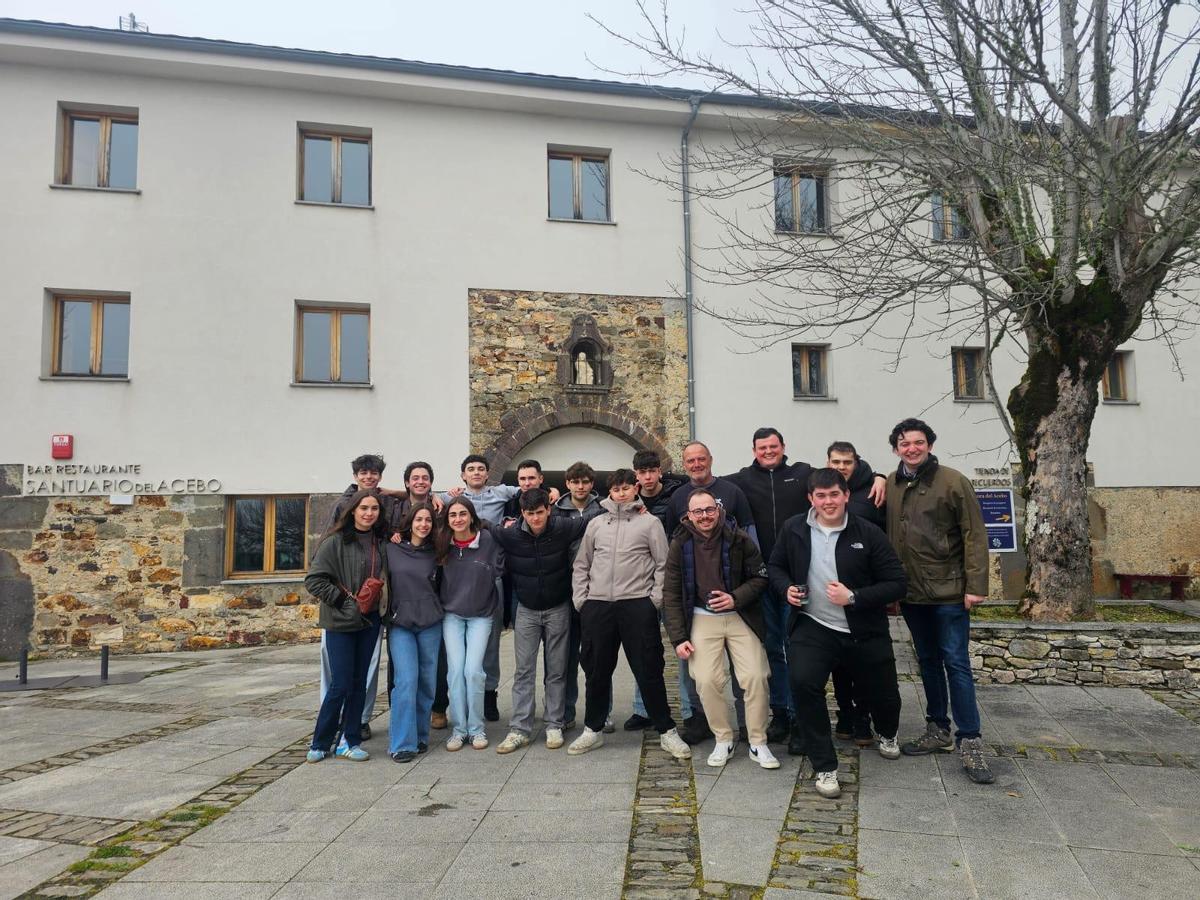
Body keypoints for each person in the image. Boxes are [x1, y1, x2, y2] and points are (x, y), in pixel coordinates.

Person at [727, 428, 888, 748]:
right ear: (754, 450)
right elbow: (703, 480)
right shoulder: (742, 479)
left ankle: (803, 718)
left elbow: (840, 475)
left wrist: (878, 475)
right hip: (764, 578)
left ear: (783, 447)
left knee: (799, 649)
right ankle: (781, 714)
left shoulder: (803, 473)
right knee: (773, 648)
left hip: (799, 575)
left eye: (774, 446)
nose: (769, 451)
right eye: (763, 447)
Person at [769, 468, 907, 798]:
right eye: (821, 496)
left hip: (863, 628)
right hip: (814, 625)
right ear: (810, 499)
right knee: (802, 683)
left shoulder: (868, 532)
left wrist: (854, 597)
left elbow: (897, 583)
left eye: (834, 494)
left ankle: (887, 732)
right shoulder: (794, 529)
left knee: (884, 694)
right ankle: (824, 766)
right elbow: (775, 566)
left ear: (846, 495)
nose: (828, 501)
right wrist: (786, 588)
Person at [885, 418, 994, 784]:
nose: (911, 448)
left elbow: (974, 534)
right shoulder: (892, 483)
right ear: (897, 448)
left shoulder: (952, 481)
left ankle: (970, 738)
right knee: (928, 662)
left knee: (956, 663)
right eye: (904, 443)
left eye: (918, 442)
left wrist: (975, 584)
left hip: (949, 592)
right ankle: (937, 728)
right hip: (913, 593)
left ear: (929, 444)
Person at [569, 469, 691, 760]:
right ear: (609, 491)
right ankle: (593, 729)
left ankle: (666, 730)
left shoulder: (649, 524)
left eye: (626, 488)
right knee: (597, 670)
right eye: (616, 488)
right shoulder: (597, 524)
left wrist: (654, 600)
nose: (621, 493)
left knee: (648, 668)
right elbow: (582, 563)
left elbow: (663, 564)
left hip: (637, 604)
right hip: (598, 605)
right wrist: (582, 600)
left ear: (635, 488)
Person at [663, 489, 779, 770]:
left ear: (718, 509)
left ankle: (757, 741)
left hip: (739, 614)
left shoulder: (738, 537)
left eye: (709, 510)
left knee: (755, 675)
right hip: (702, 617)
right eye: (698, 512)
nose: (704, 517)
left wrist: (735, 597)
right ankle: (723, 737)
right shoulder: (680, 542)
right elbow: (671, 592)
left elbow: (760, 577)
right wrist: (678, 637)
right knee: (705, 679)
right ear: (688, 515)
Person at [667, 441, 755, 744]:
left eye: (700, 459)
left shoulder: (732, 492)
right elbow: (673, 543)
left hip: (736, 602)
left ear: (710, 460)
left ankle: (746, 724)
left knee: (745, 670)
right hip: (697, 605)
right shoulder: (678, 496)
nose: (696, 464)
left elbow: (749, 538)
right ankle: (699, 720)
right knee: (697, 670)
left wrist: (745, 589)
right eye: (690, 460)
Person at [491, 488, 588, 752]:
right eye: (530, 514)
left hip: (558, 607)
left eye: (540, 513)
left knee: (556, 670)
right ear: (522, 513)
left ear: (549, 509)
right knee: (523, 670)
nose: (536, 519)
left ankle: (554, 724)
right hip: (526, 610)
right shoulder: (510, 534)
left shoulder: (563, 527)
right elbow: (483, 524)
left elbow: (593, 518)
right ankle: (519, 727)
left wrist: (634, 507)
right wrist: (443, 499)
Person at [305, 489, 389, 763]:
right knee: (340, 683)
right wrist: (344, 601)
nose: (369, 513)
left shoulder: (381, 542)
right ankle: (321, 740)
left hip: (370, 620)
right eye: (364, 508)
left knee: (358, 682)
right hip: (341, 620)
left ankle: (349, 740)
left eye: (374, 509)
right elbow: (315, 580)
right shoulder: (335, 541)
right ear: (353, 510)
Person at [321, 454, 396, 743]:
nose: (369, 477)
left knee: (366, 668)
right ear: (356, 475)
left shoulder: (384, 503)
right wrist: (339, 598)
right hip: (342, 604)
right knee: (337, 675)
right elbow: (325, 555)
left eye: (374, 473)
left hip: (371, 605)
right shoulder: (343, 505)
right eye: (364, 473)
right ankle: (327, 730)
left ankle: (359, 721)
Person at [627, 449, 701, 732]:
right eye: (641, 472)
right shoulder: (628, 499)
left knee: (683, 646)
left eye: (651, 471)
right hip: (640, 584)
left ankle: (690, 709)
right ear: (636, 474)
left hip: (674, 582)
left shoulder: (677, 496)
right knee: (643, 649)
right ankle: (642, 708)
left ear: (659, 471)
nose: (647, 477)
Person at [445, 454, 521, 724]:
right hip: (459, 577)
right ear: (463, 475)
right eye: (470, 469)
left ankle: (489, 695)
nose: (476, 473)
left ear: (488, 474)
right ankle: (457, 701)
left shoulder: (501, 492)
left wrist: (555, 491)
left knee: (489, 643)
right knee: (457, 652)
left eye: (480, 469)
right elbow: (418, 499)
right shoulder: (449, 499)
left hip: (492, 575)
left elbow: (529, 486)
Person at [825, 440, 886, 744]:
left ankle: (864, 716)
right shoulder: (822, 489)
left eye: (846, 462)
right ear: (828, 463)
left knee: (863, 660)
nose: (841, 468)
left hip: (864, 587)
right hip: (832, 585)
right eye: (836, 462)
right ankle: (845, 713)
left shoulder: (874, 490)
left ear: (856, 462)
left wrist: (882, 477)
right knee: (839, 660)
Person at [437, 496, 505, 750]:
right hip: (451, 615)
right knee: (455, 672)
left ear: (472, 516)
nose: (458, 519)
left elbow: (502, 565)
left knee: (474, 671)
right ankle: (459, 730)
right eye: (453, 515)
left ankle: (476, 729)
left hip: (481, 615)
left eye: (463, 514)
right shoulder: (442, 542)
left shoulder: (488, 540)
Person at [384, 502, 443, 763]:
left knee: (427, 683)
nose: (423, 524)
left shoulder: (438, 552)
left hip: (430, 622)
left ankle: (420, 736)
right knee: (406, 681)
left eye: (428, 520)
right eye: (419, 519)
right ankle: (402, 743)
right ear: (410, 522)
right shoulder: (392, 548)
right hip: (401, 625)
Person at [553, 459, 606, 731]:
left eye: (585, 482)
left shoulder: (604, 509)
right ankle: (566, 712)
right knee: (567, 656)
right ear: (568, 484)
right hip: (564, 589)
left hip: (597, 589)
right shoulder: (556, 511)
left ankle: (601, 712)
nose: (581, 486)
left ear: (591, 484)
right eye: (575, 482)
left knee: (597, 656)